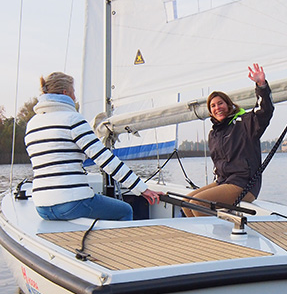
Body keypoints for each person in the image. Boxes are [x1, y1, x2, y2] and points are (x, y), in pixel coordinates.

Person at [25, 72, 160, 221]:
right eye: (73, 92)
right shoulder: (72, 119)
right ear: (65, 93)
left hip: (42, 207)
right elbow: (104, 159)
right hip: (70, 203)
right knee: (124, 210)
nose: (75, 98)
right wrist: (141, 189)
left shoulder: (32, 124)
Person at [183, 63, 274, 217]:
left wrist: (261, 85)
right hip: (223, 181)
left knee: (198, 203)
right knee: (186, 202)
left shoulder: (245, 123)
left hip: (243, 184)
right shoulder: (214, 133)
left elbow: (265, 112)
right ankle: (201, 238)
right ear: (210, 111)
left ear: (229, 104)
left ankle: (213, 240)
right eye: (213, 106)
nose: (217, 108)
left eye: (220, 103)